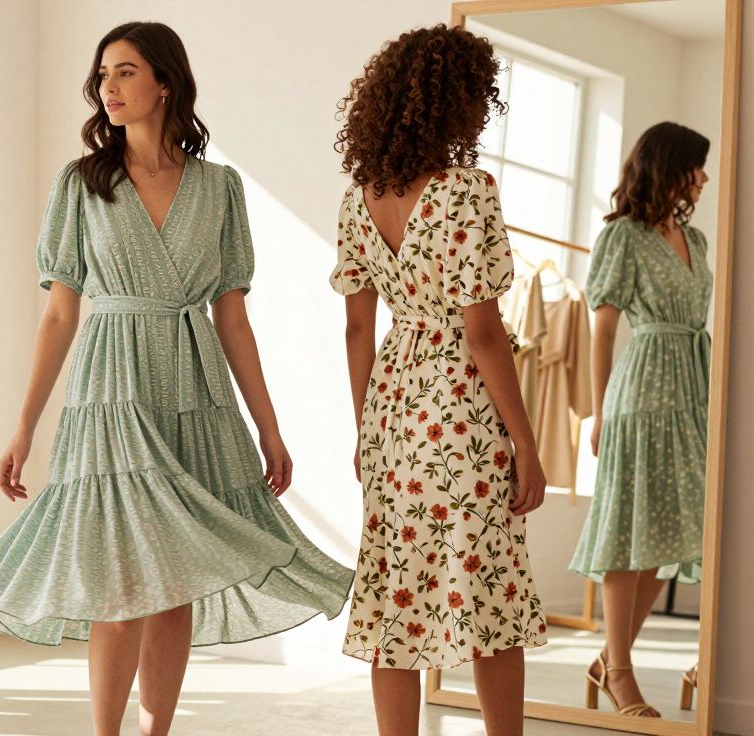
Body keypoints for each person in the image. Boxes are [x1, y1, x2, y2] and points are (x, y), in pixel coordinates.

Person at [0, 21, 352, 736]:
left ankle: (154, 732)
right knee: (117, 579)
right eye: (102, 75)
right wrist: (24, 427)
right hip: (110, 388)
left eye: (126, 72)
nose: (109, 87)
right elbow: (60, 315)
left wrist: (268, 425)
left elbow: (234, 320)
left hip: (192, 387)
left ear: (165, 82)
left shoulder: (219, 189)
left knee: (175, 581)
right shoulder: (82, 183)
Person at [330, 24, 547, 736]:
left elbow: (358, 329)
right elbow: (483, 334)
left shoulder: (359, 200)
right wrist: (525, 441)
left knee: (397, 593)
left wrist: (368, 431)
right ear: (455, 102)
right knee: (491, 592)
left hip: (394, 403)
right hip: (460, 406)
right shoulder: (465, 191)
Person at [569, 121, 712, 718]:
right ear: (670, 168)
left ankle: (610, 659)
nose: (704, 177)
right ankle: (620, 670)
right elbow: (601, 328)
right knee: (630, 532)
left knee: (673, 530)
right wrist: (601, 413)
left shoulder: (696, 239)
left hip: (693, 389)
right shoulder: (621, 236)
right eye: (696, 166)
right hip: (641, 390)